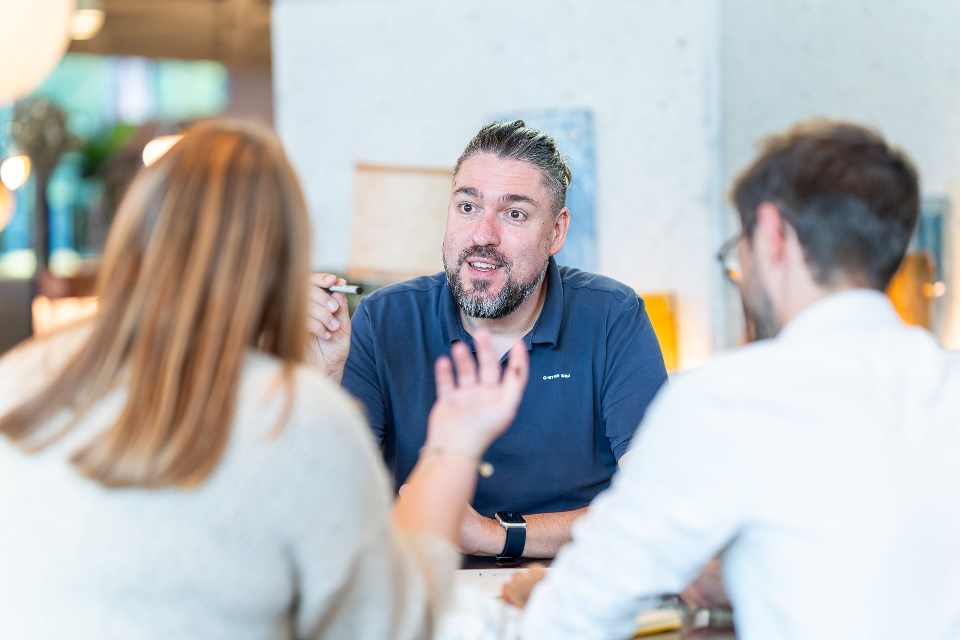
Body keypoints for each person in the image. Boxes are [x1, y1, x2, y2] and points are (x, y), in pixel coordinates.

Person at [0, 119, 530, 639]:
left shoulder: (20, 377)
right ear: (281, 255)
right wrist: (452, 451)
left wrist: (316, 379)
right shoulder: (298, 420)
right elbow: (392, 626)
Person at [503, 120, 960, 639]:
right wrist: (749, 579)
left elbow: (570, 618)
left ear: (771, 235)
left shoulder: (730, 399)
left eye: (738, 248)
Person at [309, 120, 668, 560]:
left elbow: (658, 504)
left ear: (556, 232)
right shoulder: (383, 319)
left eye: (514, 214)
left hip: (567, 592)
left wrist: (495, 535)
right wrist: (321, 379)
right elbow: (326, 511)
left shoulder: (613, 316)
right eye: (467, 207)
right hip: (422, 601)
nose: (482, 236)